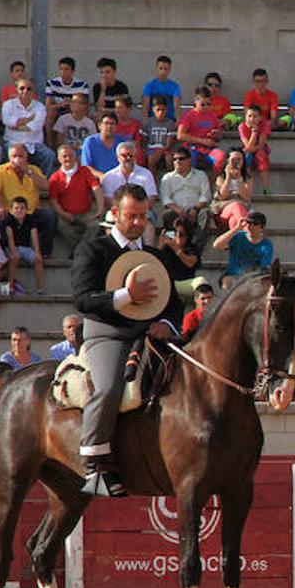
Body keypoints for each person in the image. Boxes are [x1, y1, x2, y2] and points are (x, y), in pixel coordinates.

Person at [71, 184, 184, 497]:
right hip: (108, 333)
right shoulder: (93, 248)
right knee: (108, 387)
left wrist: (164, 322)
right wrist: (126, 296)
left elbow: (173, 302)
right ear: (115, 214)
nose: (138, 223)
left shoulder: (154, 256)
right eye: (131, 216)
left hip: (149, 334)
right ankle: (93, 464)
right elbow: (82, 300)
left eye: (143, 217)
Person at [48, 143, 104, 253]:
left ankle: (80, 251)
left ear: (75, 156)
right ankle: (82, 251)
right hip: (66, 215)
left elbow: (96, 188)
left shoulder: (85, 171)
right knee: (63, 227)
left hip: (85, 213)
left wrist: (101, 207)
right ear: (59, 159)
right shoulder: (55, 177)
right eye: (64, 156)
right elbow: (53, 201)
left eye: (70, 155)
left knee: (95, 226)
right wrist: (63, 214)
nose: (68, 158)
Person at [212, 210, 274, 290]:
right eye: (248, 223)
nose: (250, 227)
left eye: (255, 224)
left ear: (262, 227)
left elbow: (264, 268)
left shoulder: (266, 246)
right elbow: (217, 245)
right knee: (227, 282)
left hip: (252, 279)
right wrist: (236, 228)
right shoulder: (238, 236)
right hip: (232, 276)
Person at [141, 55, 182, 121]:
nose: (163, 72)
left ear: (169, 70)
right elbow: (146, 107)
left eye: (166, 69)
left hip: (169, 121)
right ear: (156, 68)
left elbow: (177, 108)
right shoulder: (149, 85)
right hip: (153, 122)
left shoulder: (174, 86)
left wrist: (178, 123)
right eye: (160, 68)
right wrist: (146, 124)